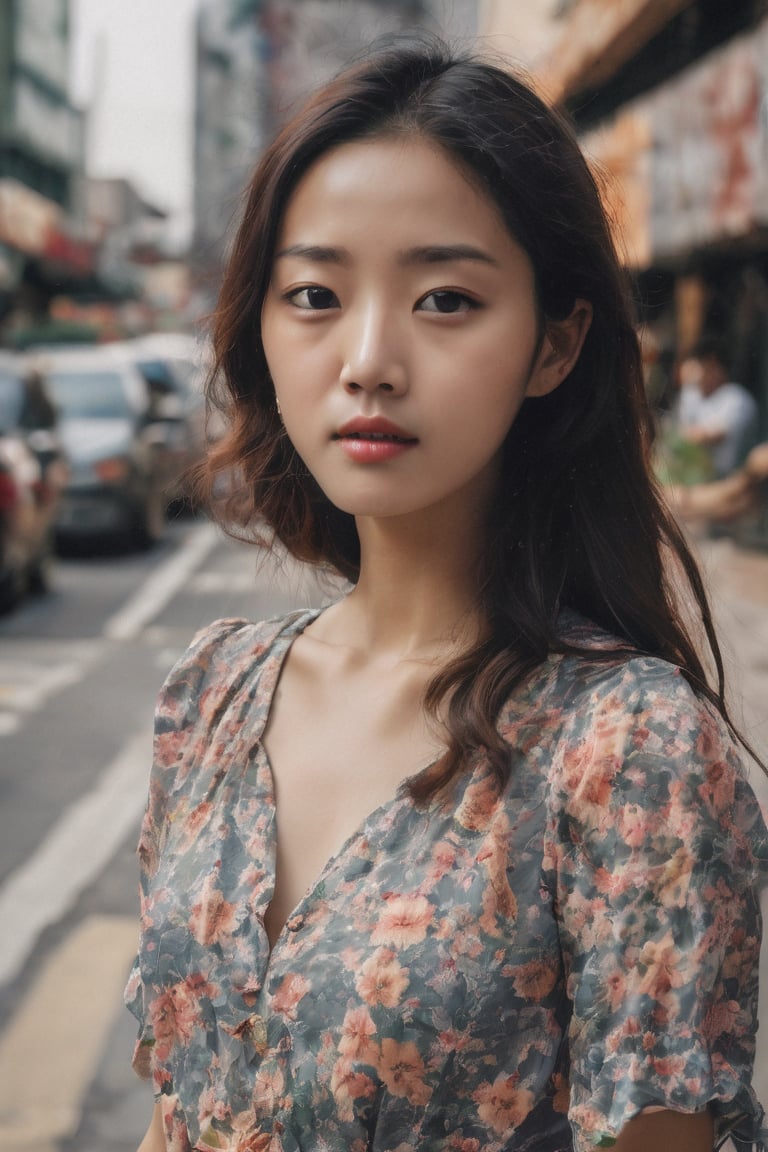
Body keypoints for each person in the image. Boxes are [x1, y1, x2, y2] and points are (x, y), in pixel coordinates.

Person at [127, 40, 768, 1152]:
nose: (370, 358)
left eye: (445, 299)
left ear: (554, 345)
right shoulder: (214, 693)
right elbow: (180, 1113)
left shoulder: (629, 752)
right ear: (263, 329)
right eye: (317, 295)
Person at [676, 337, 759, 480]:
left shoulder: (737, 397)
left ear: (714, 365)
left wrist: (683, 435)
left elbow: (714, 435)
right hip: (694, 476)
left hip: (729, 481)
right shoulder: (690, 394)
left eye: (701, 366)